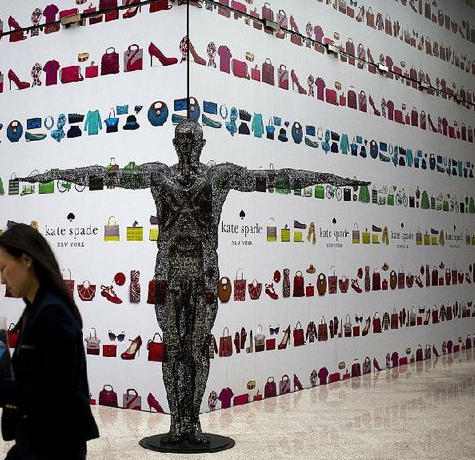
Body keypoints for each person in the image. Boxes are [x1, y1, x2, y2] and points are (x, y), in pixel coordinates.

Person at [19, 119, 364, 446]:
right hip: (169, 272)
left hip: (203, 273)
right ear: (174, 144)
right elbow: (113, 175)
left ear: (201, 142)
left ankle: (193, 421)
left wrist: (330, 179)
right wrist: (56, 175)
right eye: (180, 139)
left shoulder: (218, 177)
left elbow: (276, 178)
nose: (186, 144)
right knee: (172, 348)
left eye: (191, 138)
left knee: (196, 348)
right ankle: (175, 423)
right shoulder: (159, 176)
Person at [0, 222, 99, 459]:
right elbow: (34, 373)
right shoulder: (35, 308)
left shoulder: (52, 313)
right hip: (36, 436)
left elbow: (55, 391)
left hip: (55, 443)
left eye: (3, 268)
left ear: (26, 260)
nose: (1, 278)